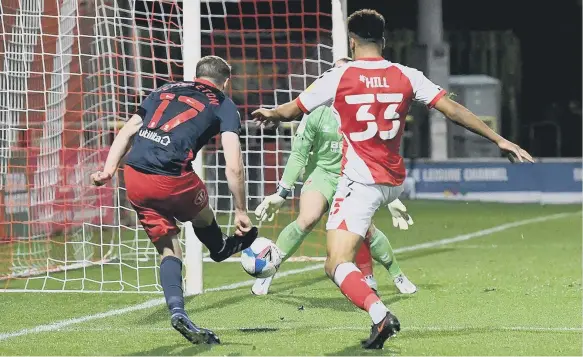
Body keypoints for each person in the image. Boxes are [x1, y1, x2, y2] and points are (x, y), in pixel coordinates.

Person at [252, 9, 533, 349]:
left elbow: (292, 111)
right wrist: (499, 139)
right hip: (394, 180)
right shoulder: (406, 75)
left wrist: (271, 113)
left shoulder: (340, 76)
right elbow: (454, 110)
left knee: (335, 262)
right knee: (356, 235)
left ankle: (380, 314)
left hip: (361, 181)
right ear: (383, 41)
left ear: (352, 42)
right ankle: (381, 291)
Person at [90, 56, 258, 345]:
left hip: (134, 175)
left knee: (169, 249)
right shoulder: (223, 103)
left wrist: (107, 170)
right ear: (226, 81)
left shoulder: (164, 89)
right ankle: (219, 246)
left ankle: (178, 311)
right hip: (172, 178)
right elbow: (234, 164)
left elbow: (128, 130)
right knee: (202, 212)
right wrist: (241, 209)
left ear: (196, 75)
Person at [252, 58, 416, 296]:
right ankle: (269, 270)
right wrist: (281, 192)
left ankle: (397, 274)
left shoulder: (364, 114)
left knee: (367, 231)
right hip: (322, 175)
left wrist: (390, 197)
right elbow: (299, 155)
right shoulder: (316, 113)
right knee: (307, 219)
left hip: (353, 177)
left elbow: (380, 153)